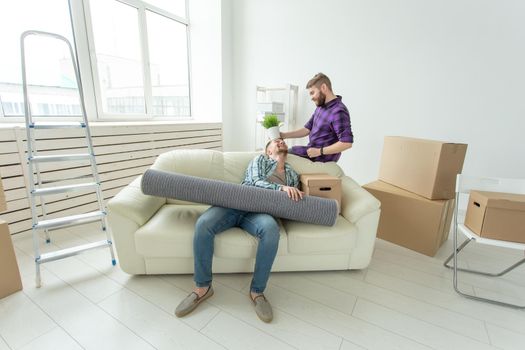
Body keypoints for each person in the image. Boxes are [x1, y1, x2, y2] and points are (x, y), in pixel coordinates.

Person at [175, 138, 302, 323]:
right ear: (268, 151)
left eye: (283, 141)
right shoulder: (260, 160)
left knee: (271, 230)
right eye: (276, 141)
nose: (281, 142)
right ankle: (203, 288)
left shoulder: (293, 174)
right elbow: (254, 183)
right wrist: (281, 188)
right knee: (203, 224)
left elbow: (290, 202)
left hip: (260, 214)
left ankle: (257, 292)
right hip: (235, 205)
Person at [281, 72, 353, 162]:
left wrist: (320, 151)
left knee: (280, 156)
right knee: (278, 154)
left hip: (321, 159)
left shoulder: (338, 111)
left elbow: (346, 143)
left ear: (323, 87)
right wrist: (283, 135)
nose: (311, 97)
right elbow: (307, 129)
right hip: (311, 153)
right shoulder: (321, 107)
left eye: (312, 93)